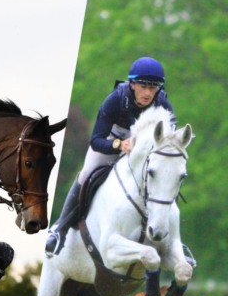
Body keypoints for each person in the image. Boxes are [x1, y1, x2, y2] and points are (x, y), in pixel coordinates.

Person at [45, 57, 175, 256]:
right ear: (132, 84)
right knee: (86, 174)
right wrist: (119, 145)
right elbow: (96, 140)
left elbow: (169, 141)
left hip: (141, 157)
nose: (148, 93)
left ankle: (173, 240)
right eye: (143, 86)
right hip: (109, 147)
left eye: (153, 87)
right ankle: (59, 229)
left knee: (163, 180)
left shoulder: (163, 103)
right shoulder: (115, 100)